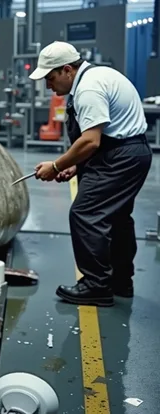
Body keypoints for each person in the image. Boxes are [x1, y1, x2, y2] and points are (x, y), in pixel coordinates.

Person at [29, 41, 152, 307]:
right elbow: (101, 139)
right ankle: (121, 282)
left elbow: (90, 142)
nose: (48, 85)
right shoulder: (97, 76)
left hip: (120, 157)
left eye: (50, 78)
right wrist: (75, 164)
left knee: (86, 214)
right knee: (117, 218)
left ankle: (96, 286)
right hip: (125, 152)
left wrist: (58, 165)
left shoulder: (88, 88)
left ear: (67, 70)